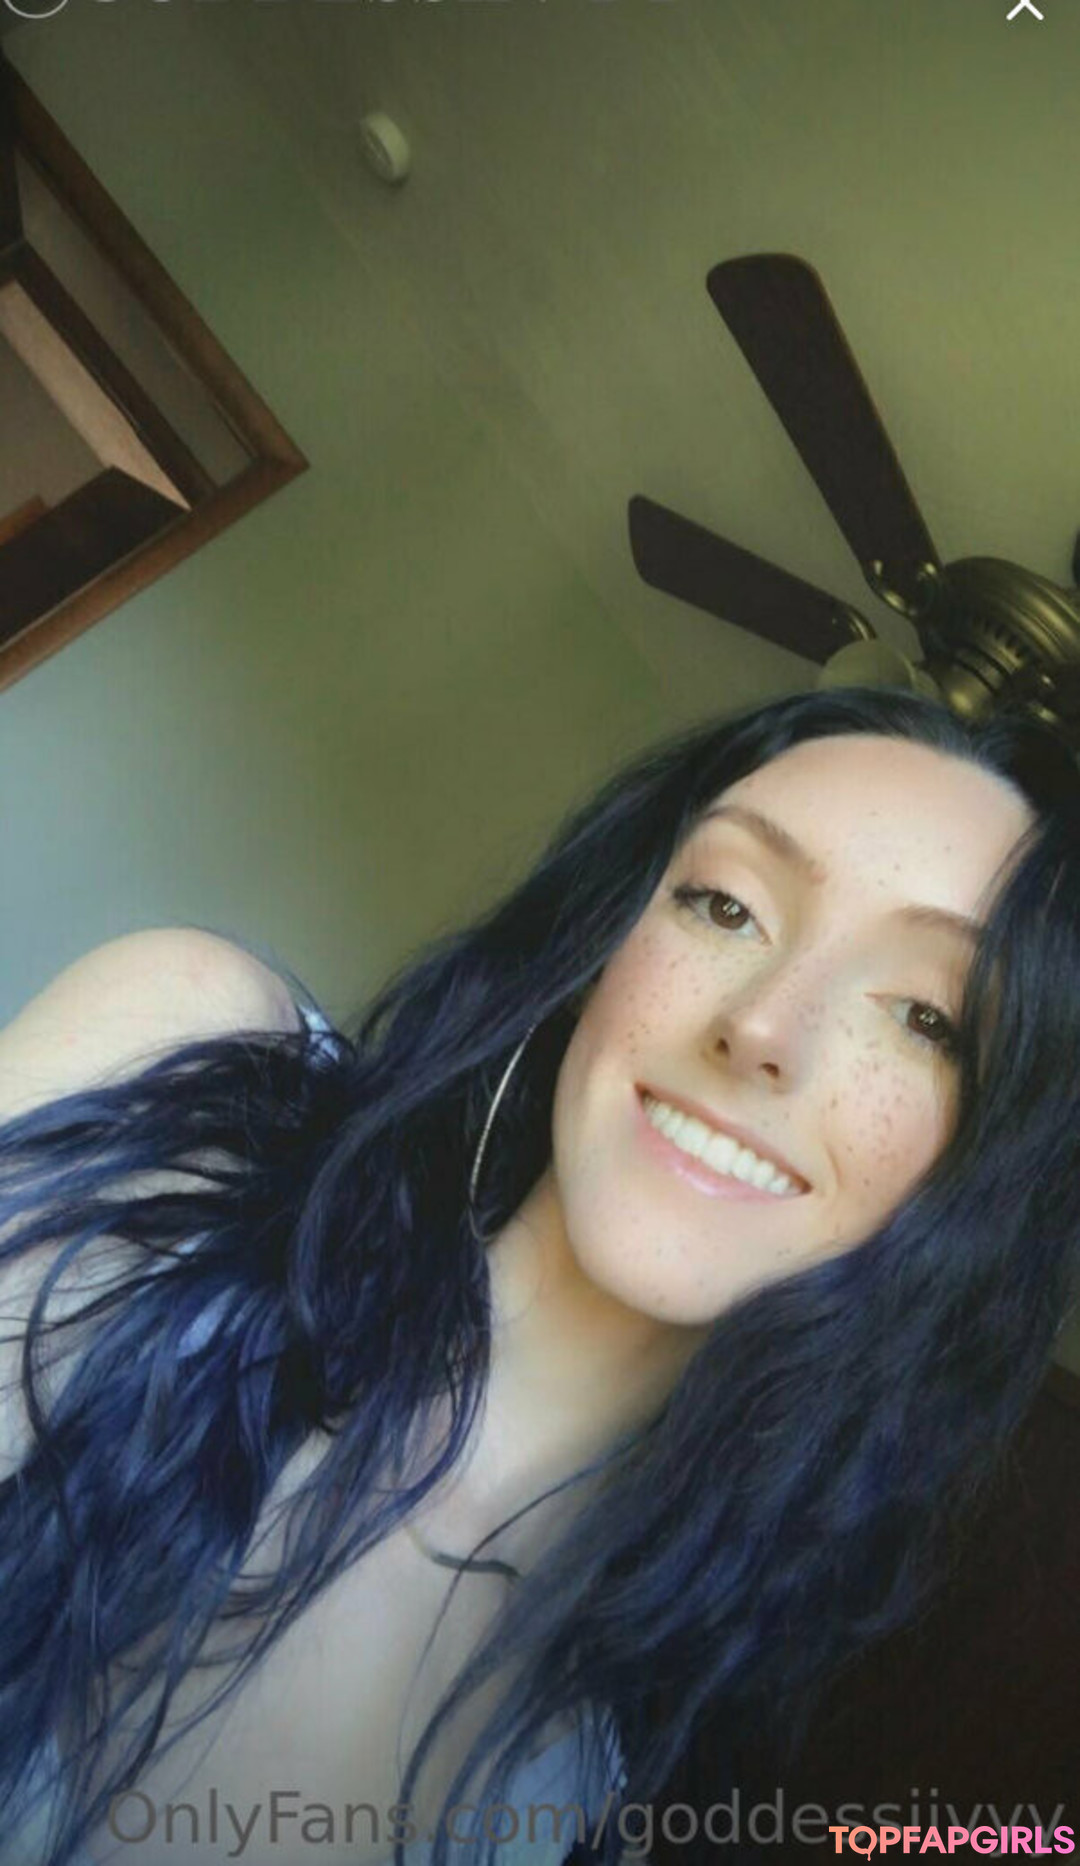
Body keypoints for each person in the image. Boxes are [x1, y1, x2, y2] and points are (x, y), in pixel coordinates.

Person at [1, 684, 1078, 1866]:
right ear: (604, 941)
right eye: (725, 905)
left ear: (977, 1180)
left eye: (927, 1017)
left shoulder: (581, 1793)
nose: (765, 1027)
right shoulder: (185, 1094)